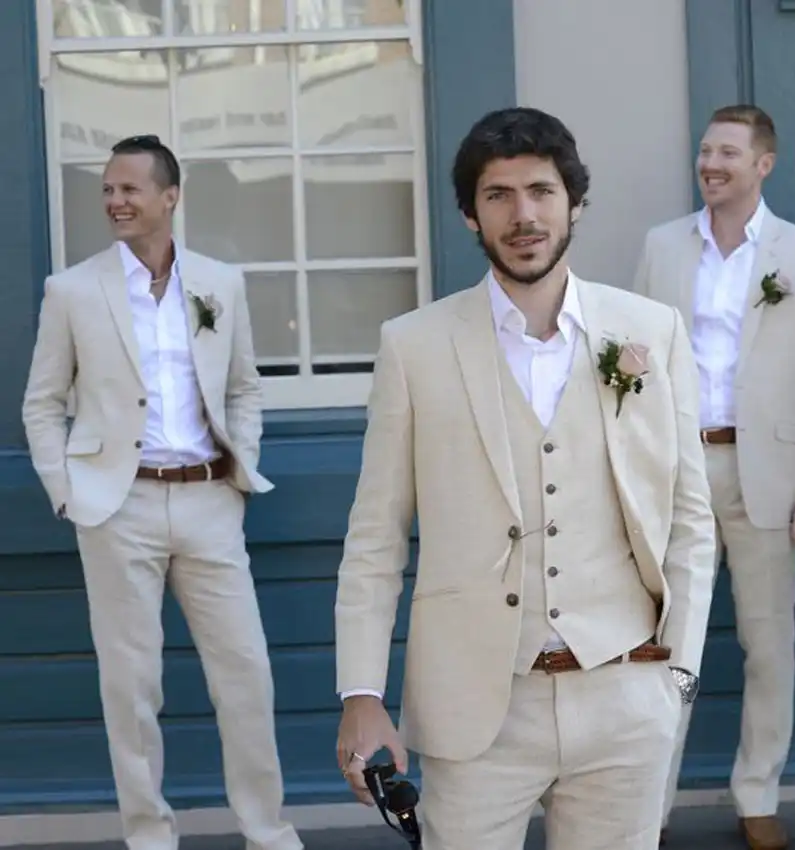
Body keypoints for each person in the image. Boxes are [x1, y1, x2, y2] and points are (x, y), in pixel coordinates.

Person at [334, 107, 716, 850]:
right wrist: (361, 693)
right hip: (476, 707)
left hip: (624, 696)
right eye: (498, 195)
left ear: (574, 203)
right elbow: (374, 538)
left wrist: (679, 677)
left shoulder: (650, 330)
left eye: (541, 190)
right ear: (470, 215)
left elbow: (689, 517)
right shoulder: (413, 346)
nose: (524, 215)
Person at [22, 135, 302, 850]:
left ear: (169, 197)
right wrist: (67, 491)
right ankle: (150, 837)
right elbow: (42, 403)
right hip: (119, 507)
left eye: (130, 189)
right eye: (108, 190)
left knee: (246, 674)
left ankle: (268, 832)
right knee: (132, 686)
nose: (115, 201)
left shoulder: (219, 282)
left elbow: (244, 387)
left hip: (210, 500)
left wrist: (240, 470)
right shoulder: (72, 290)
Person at [633, 105, 795, 850]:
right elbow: (632, 360)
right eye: (705, 150)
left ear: (763, 164)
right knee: (669, 648)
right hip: (677, 470)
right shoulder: (662, 246)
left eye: (727, 152)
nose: (711, 164)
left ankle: (758, 794)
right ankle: (648, 807)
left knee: (769, 645)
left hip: (771, 476)